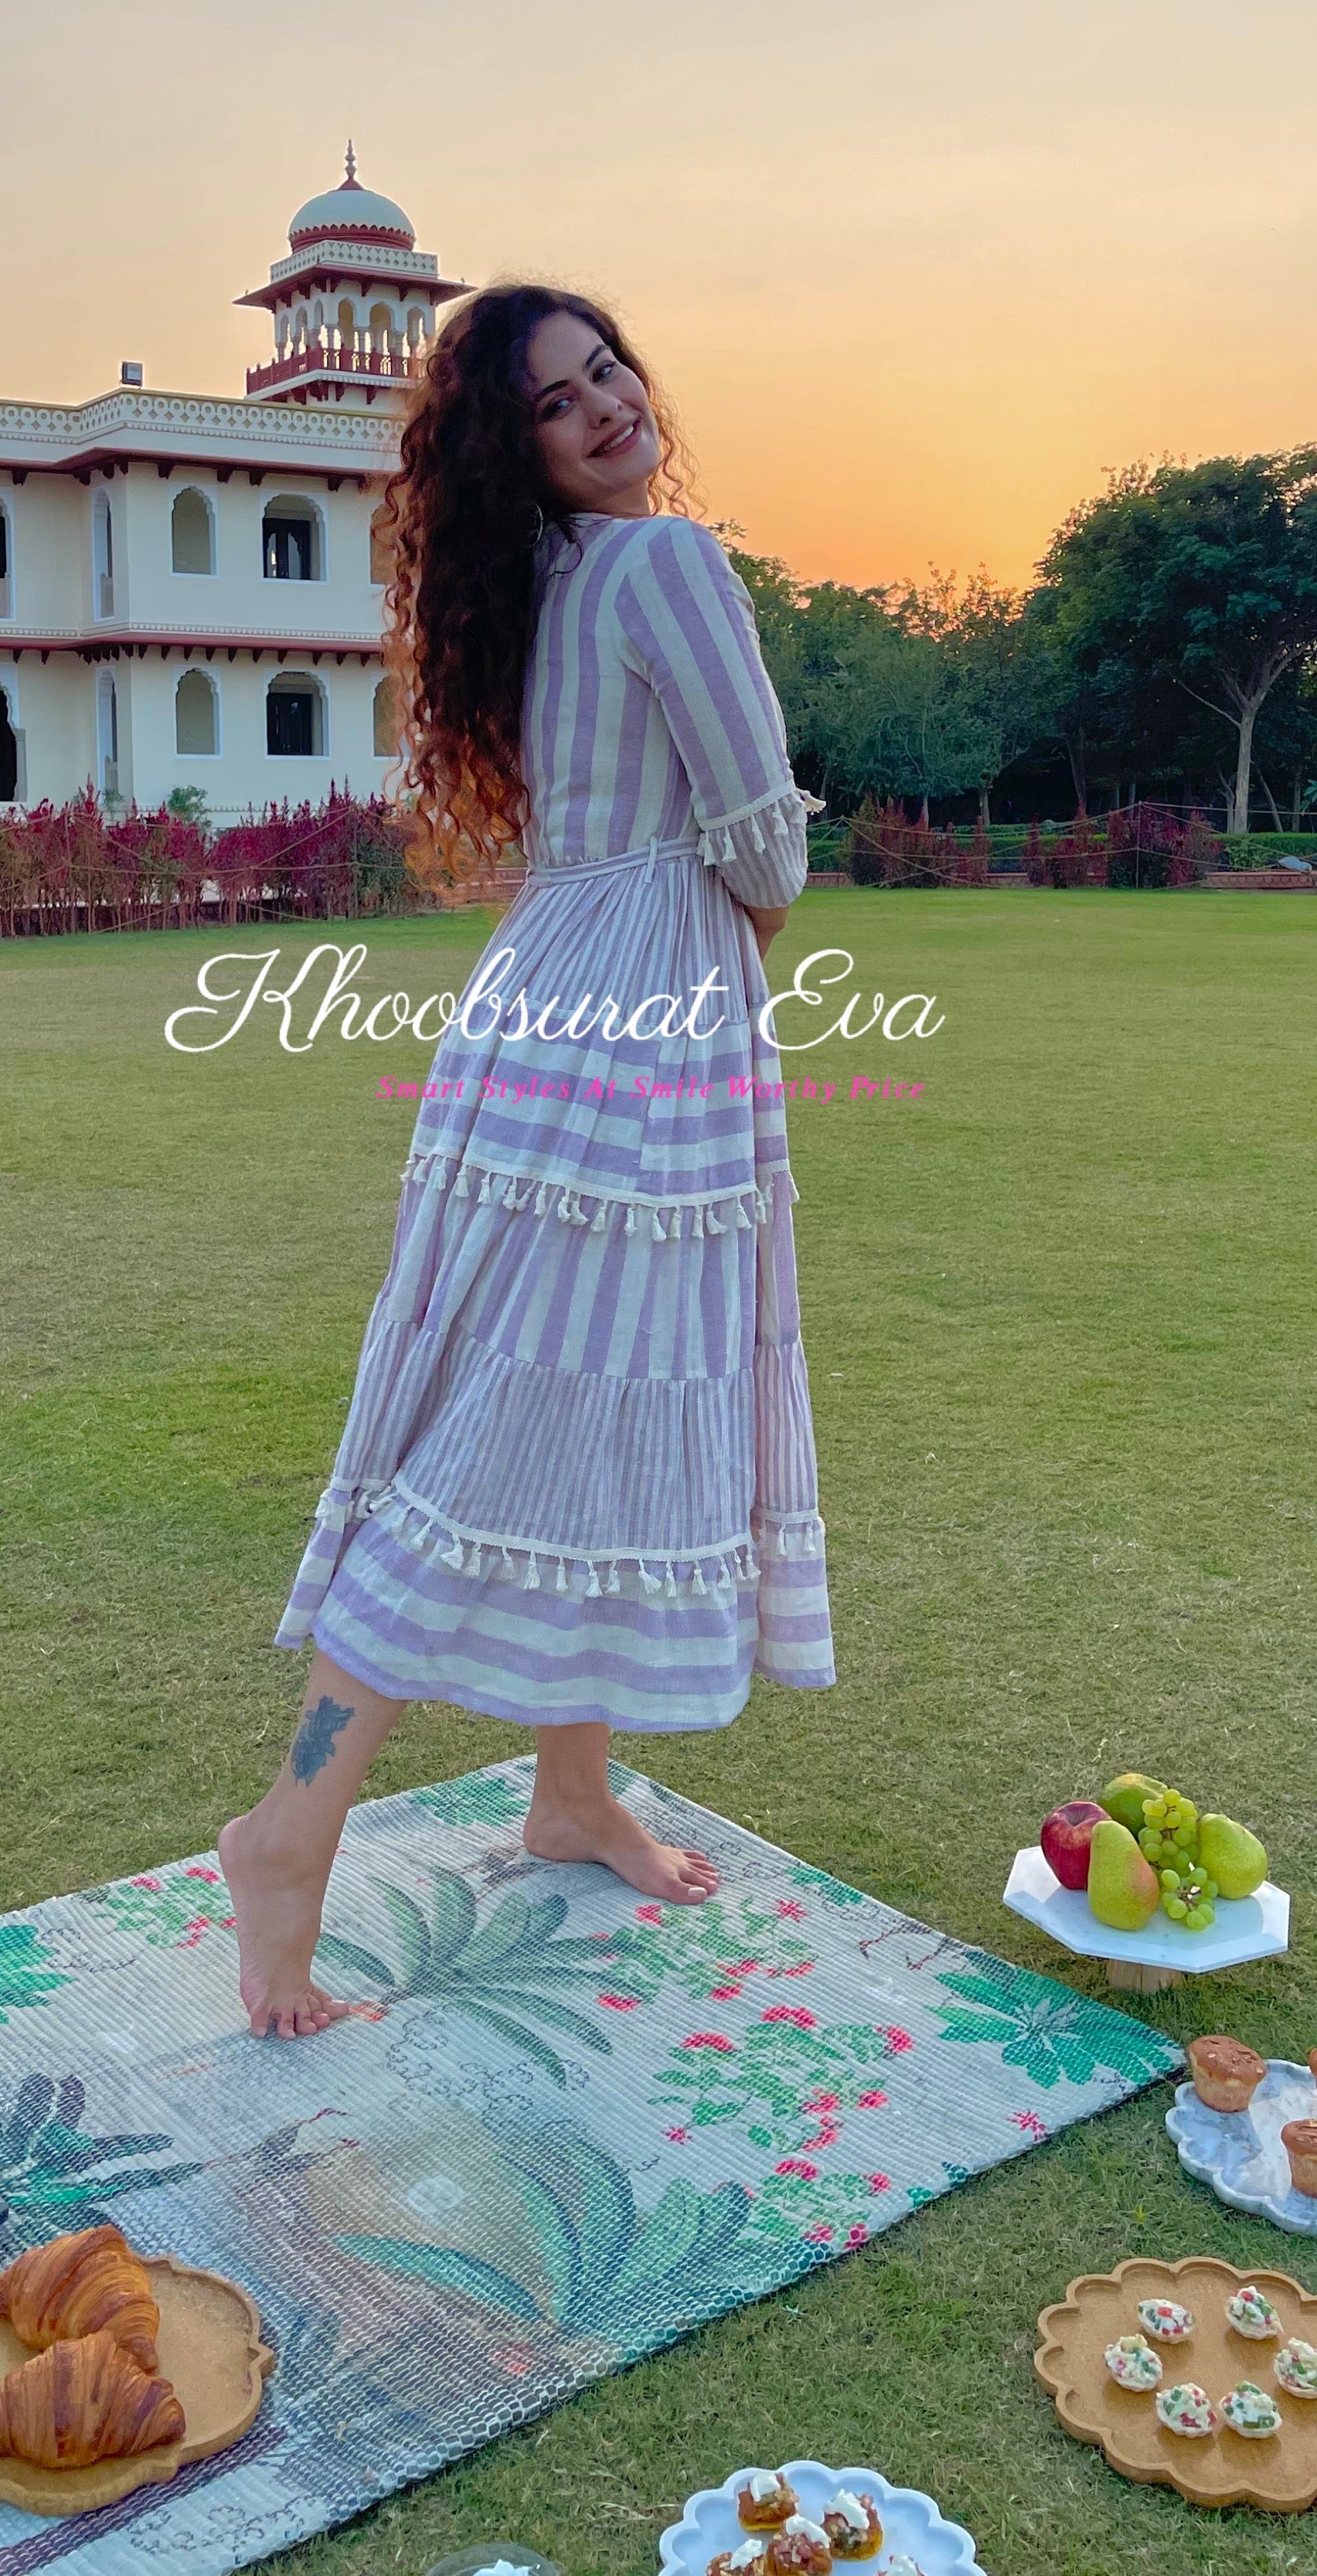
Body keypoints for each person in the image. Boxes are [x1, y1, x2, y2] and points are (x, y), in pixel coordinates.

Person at [219, 288, 834, 2037]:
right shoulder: (665, 565)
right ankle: (290, 1827)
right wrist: (740, 934)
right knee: (517, 1424)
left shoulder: (544, 590)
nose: (609, 407)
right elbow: (762, 834)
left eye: (611, 370)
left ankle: (570, 1790)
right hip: (647, 1020)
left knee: (568, 1398)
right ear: (522, 449)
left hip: (539, 1006)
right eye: (563, 402)